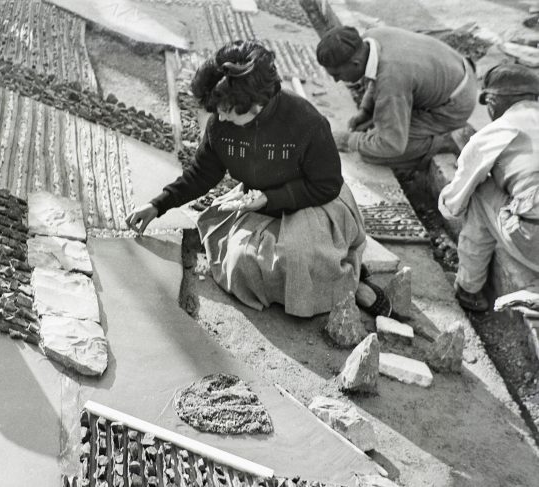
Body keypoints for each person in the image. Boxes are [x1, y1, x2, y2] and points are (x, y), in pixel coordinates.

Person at [126, 40, 391, 318]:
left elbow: (326, 185)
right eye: (218, 109)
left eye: (227, 109)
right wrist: (158, 205)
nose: (220, 116)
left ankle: (351, 283)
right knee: (241, 263)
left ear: (256, 103)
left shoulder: (307, 122)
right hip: (260, 204)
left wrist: (272, 198)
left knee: (295, 257)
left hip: (314, 202)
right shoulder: (222, 125)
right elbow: (201, 174)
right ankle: (311, 281)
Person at [438, 63, 539, 312]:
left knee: (480, 191)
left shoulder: (501, 129)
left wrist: (444, 200)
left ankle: (468, 288)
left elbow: (454, 204)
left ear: (494, 99)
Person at [315, 26, 478, 170]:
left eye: (337, 74)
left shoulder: (391, 79)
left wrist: (349, 140)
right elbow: (376, 75)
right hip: (455, 71)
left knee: (373, 153)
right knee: (377, 132)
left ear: (356, 63)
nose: (336, 81)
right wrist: (366, 110)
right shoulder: (370, 38)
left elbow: (391, 145)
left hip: (457, 103)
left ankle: (445, 142)